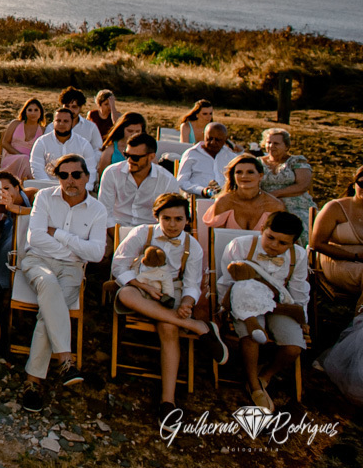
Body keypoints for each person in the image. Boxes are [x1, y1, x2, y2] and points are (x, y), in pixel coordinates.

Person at [111, 193, 228, 419]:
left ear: (187, 220)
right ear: (157, 218)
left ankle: (168, 401)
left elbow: (192, 283)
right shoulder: (142, 233)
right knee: (125, 293)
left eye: (178, 219)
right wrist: (143, 287)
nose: (172, 224)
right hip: (141, 284)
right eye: (166, 218)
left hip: (171, 290)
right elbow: (119, 266)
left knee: (168, 328)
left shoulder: (192, 245)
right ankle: (198, 327)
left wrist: (186, 303)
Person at [17, 155, 107, 413]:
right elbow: (35, 239)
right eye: (64, 175)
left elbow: (97, 254)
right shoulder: (45, 198)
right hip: (38, 261)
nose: (70, 180)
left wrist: (59, 234)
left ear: (87, 177)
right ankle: (66, 361)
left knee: (48, 313)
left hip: (71, 270)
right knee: (48, 284)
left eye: (76, 175)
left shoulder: (98, 210)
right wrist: (76, 248)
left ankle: (32, 384)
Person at [215, 212, 309, 413]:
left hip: (278, 302)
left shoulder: (298, 255)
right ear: (261, 231)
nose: (274, 245)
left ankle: (265, 375)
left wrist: (302, 317)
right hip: (245, 300)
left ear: (293, 243)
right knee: (252, 336)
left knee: (294, 348)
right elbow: (226, 281)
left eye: (283, 243)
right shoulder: (241, 245)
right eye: (270, 237)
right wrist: (222, 310)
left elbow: (299, 288)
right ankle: (253, 383)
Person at [310, 166, 363, 316]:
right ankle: (359, 325)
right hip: (336, 260)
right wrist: (355, 256)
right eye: (362, 183)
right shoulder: (335, 207)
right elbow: (317, 244)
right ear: (354, 184)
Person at [98, 134, 181, 229]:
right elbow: (104, 212)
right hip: (115, 228)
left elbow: (170, 216)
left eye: (135, 157)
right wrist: (118, 237)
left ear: (151, 157)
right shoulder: (112, 173)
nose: (129, 160)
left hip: (150, 232)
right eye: (126, 155)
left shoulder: (167, 180)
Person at [259, 127, 315, 242]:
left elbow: (303, 185)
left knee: (299, 229)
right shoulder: (258, 162)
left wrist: (275, 194)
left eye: (276, 143)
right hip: (265, 204)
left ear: (286, 146)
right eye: (269, 142)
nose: (271, 146)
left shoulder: (296, 161)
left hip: (296, 205)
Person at [0, 170, 32, 291]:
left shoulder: (32, 194)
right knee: (3, 244)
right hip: (11, 228)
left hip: (31, 229)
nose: (4, 192)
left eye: (7, 188)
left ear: (17, 188)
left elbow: (41, 212)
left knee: (12, 243)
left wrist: (14, 208)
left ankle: (4, 284)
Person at [203, 154, 285, 231]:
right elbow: (215, 239)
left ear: (260, 176)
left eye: (250, 172)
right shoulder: (224, 202)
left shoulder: (274, 205)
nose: (244, 176)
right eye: (239, 172)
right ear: (233, 176)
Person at [29, 108, 99, 191]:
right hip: (47, 190)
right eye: (58, 121)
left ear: (72, 123)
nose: (61, 124)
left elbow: (90, 170)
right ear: (53, 123)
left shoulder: (83, 144)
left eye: (66, 121)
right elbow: (36, 168)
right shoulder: (42, 142)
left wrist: (85, 190)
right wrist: (50, 189)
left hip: (76, 190)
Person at [178, 123, 235, 199]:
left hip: (225, 201)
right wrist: (201, 190)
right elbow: (181, 182)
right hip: (197, 200)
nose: (213, 142)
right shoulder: (191, 154)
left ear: (225, 139)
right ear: (203, 135)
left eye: (218, 140)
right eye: (209, 138)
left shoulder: (231, 156)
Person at [43, 87, 103, 153]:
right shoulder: (51, 127)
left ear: (80, 108)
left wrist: (88, 162)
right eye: (67, 106)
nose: (70, 110)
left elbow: (98, 150)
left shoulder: (90, 127)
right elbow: (44, 148)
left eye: (74, 107)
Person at [0, 98, 46, 180]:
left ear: (40, 112)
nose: (32, 113)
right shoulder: (15, 124)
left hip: (31, 162)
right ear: (25, 111)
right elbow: (5, 143)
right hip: (11, 158)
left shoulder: (43, 130)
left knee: (28, 162)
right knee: (24, 159)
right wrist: (19, 155)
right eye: (30, 110)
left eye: (36, 110)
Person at [95, 111, 148, 179]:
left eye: (138, 131)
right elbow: (102, 176)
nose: (134, 134)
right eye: (130, 131)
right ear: (122, 130)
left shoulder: (147, 150)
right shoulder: (110, 151)